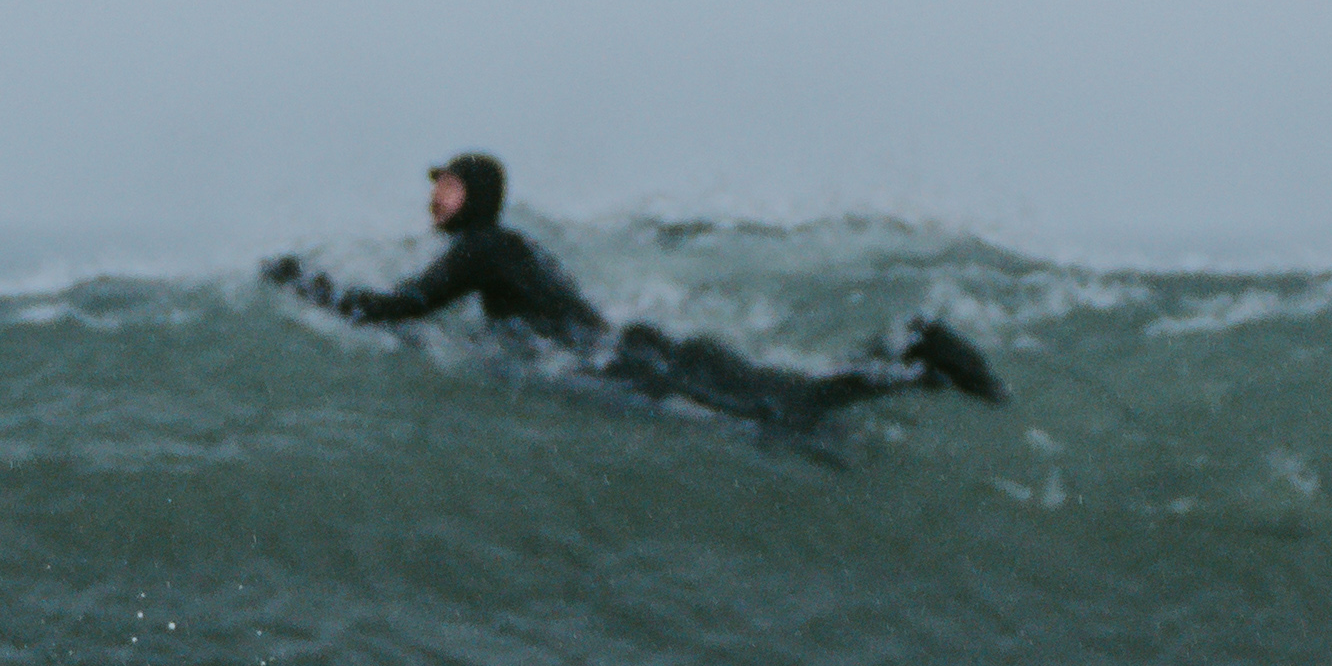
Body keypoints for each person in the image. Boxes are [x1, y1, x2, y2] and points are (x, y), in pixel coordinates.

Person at [267, 154, 1004, 429]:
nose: (435, 201)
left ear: (476, 198)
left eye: (448, 189)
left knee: (775, 409)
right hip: (638, 343)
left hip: (622, 360)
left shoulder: (482, 248)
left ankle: (911, 355)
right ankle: (909, 362)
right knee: (779, 395)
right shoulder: (512, 247)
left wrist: (310, 286)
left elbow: (400, 309)